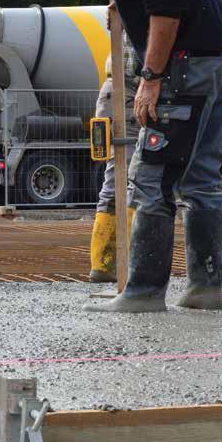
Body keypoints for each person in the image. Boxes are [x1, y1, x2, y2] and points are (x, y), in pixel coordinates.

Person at [47, 0, 222, 313]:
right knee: (202, 179)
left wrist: (151, 77)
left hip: (188, 69)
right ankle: (205, 288)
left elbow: (167, 6)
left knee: (152, 178)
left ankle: (143, 292)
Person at [89, 22, 140, 283]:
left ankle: (104, 263)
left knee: (118, 180)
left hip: (119, 91)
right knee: (133, 181)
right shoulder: (150, 4)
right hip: (129, 91)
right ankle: (113, 262)